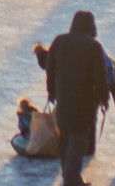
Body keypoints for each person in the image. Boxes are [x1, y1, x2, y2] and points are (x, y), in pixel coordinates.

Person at [42, 10, 108, 185]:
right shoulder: (93, 47)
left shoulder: (59, 41)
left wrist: (52, 92)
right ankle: (72, 179)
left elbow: (50, 68)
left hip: (63, 98)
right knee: (78, 141)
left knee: (65, 138)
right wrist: (104, 97)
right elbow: (100, 76)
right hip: (84, 102)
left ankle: (70, 176)